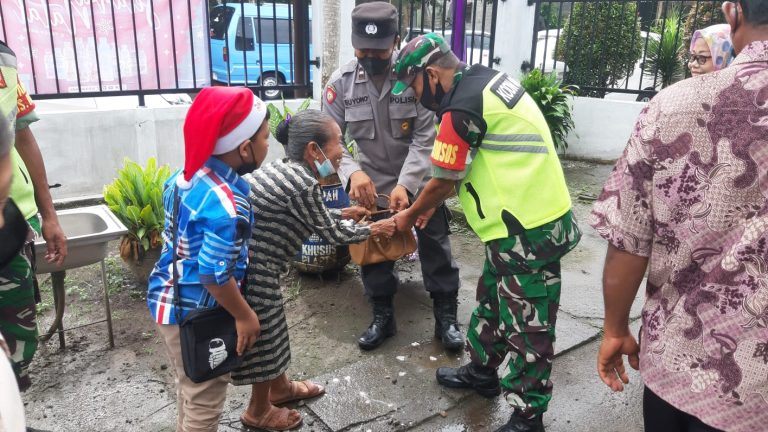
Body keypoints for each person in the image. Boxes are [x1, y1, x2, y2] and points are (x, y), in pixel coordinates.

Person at [391, 33, 581, 432]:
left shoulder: (462, 106)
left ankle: (529, 417)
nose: (415, 96)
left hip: (529, 230)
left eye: (413, 87)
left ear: (430, 73)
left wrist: (409, 215)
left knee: (529, 322)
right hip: (516, 225)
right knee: (494, 300)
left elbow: (443, 179)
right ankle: (482, 372)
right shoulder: (485, 81)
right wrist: (425, 205)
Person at [592, 1, 768, 431]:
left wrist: (615, 328)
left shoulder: (672, 107)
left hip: (678, 364)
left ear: (734, 12)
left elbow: (629, 238)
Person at [234, 109, 397, 430]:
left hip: (253, 264)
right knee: (266, 336)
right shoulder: (302, 183)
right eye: (339, 143)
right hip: (254, 270)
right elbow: (331, 234)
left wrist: (346, 214)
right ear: (314, 150)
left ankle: (280, 389)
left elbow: (314, 218)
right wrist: (377, 229)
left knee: (272, 329)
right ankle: (258, 411)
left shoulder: (290, 171)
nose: (342, 151)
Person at [323, 1, 463, 352]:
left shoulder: (412, 78)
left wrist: (406, 185)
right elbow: (329, 144)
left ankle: (446, 317)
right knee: (374, 251)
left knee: (436, 244)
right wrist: (352, 172)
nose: (370, 56)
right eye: (363, 49)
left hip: (418, 181)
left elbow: (424, 139)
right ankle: (382, 315)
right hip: (369, 185)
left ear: (396, 42)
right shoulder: (339, 85)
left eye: (379, 50)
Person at [146, 87, 266, 432]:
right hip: (199, 312)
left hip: (168, 300)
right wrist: (245, 316)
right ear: (245, 148)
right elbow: (213, 275)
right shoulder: (227, 207)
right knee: (205, 398)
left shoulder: (184, 177)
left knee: (190, 385)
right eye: (265, 138)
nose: (268, 146)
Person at [0, 40, 67, 394]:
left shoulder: (3, 62)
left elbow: (22, 136)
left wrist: (48, 214)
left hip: (11, 229)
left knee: (17, 339)